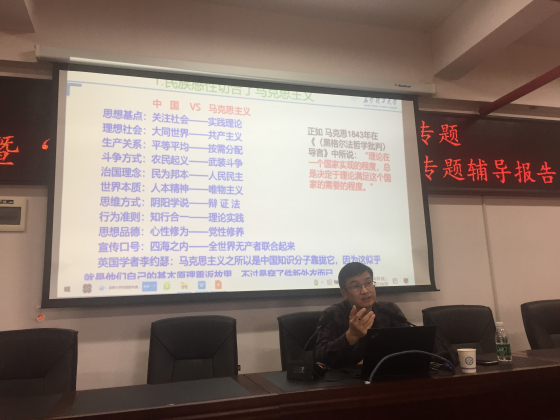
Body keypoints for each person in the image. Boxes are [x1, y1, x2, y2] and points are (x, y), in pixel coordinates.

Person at [313, 262, 408, 369]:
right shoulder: (332, 314)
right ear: (344, 293)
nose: (365, 291)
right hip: (346, 377)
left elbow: (410, 342)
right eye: (356, 286)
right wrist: (350, 337)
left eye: (368, 283)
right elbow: (319, 356)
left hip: (387, 372)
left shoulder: (389, 309)